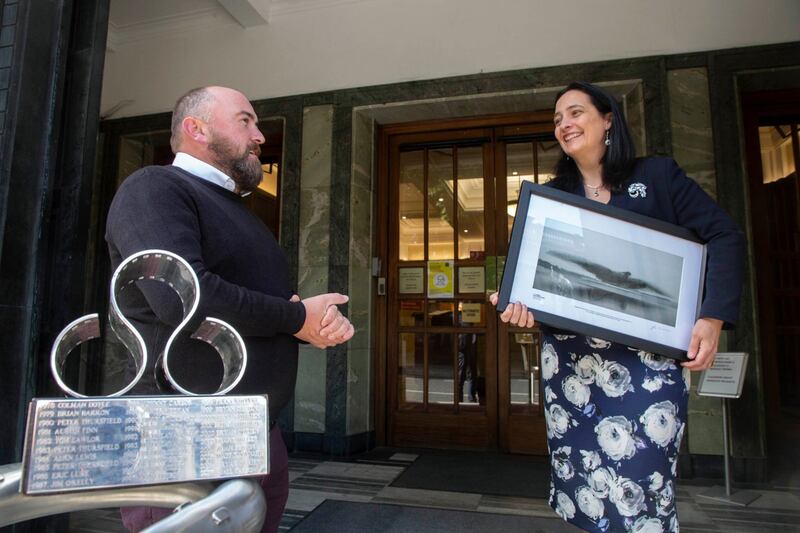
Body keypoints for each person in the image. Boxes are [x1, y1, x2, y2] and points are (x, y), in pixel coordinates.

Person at [490, 81, 744, 532]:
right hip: (571, 367)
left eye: (575, 113)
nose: (564, 125)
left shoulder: (658, 176)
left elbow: (725, 235)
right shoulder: (552, 198)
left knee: (642, 487)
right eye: (556, 120)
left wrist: (712, 316)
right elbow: (540, 283)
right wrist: (517, 304)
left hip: (647, 365)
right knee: (586, 488)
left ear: (608, 119)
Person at [105, 86, 354, 533]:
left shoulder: (240, 210)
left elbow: (266, 308)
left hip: (258, 431)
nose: (259, 135)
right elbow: (178, 296)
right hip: (180, 433)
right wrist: (297, 318)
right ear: (195, 128)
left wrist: (311, 322)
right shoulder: (154, 187)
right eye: (245, 121)